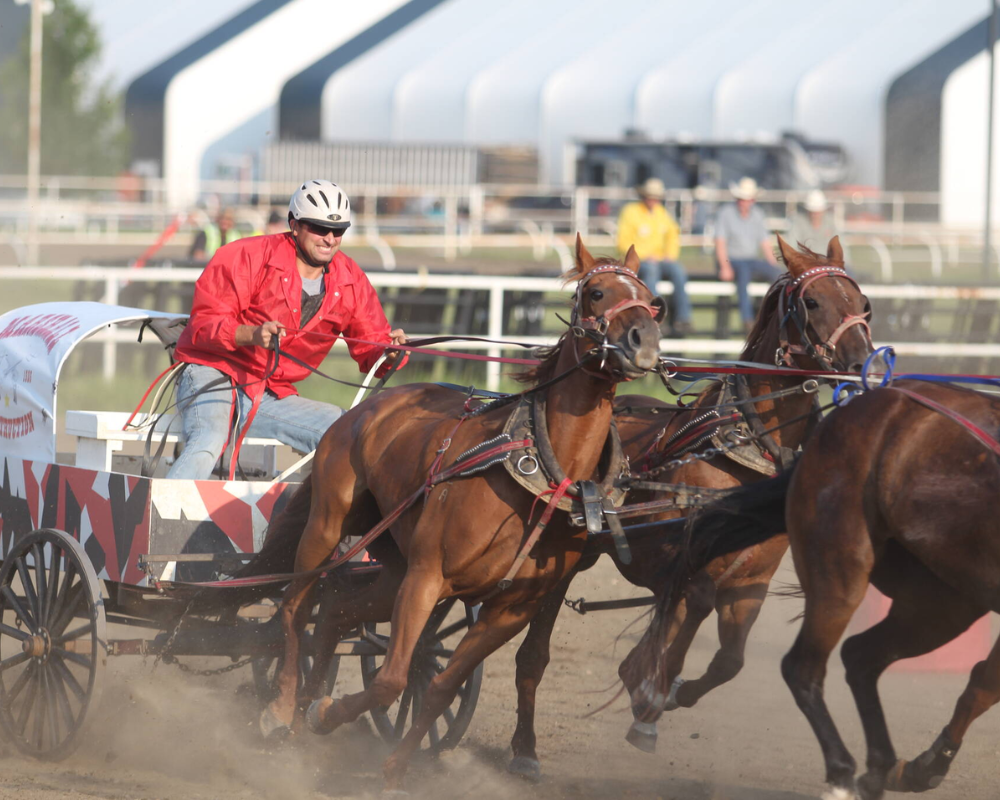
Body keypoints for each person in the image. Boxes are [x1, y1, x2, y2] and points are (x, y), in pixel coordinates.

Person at [167, 179, 407, 480]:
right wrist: (252, 334)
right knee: (210, 438)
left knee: (349, 432)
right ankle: (159, 524)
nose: (330, 239)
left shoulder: (351, 279)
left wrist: (391, 352)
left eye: (339, 231)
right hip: (210, 372)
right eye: (319, 228)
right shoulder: (245, 256)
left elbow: (372, 347)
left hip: (268, 393)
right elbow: (204, 326)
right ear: (294, 225)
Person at [616, 177, 692, 334]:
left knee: (678, 270)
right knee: (651, 271)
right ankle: (654, 315)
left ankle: (683, 318)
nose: (653, 200)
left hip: (659, 259)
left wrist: (670, 255)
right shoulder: (631, 212)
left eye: (655, 197)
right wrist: (643, 255)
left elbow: (673, 235)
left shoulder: (661, 214)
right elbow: (623, 241)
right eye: (650, 196)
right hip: (640, 261)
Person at [714, 177, 782, 330]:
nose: (743, 202)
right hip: (732, 259)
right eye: (741, 199)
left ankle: (775, 312)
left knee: (779, 275)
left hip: (750, 259)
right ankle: (748, 319)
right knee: (743, 274)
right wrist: (725, 266)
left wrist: (772, 263)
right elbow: (720, 242)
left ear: (753, 200)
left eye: (746, 199)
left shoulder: (757, 214)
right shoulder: (726, 213)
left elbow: (765, 242)